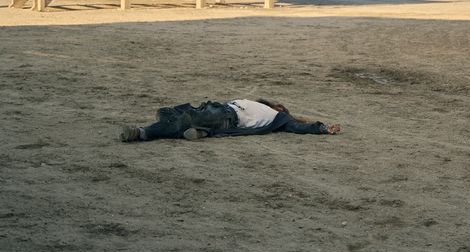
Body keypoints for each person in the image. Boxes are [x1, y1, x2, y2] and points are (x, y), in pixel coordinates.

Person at [119, 98, 341, 142]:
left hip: (226, 117)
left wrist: (321, 128)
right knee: (168, 111)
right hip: (218, 110)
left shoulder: (278, 117)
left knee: (183, 119)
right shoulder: (256, 103)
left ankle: (142, 133)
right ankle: (200, 132)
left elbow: (298, 127)